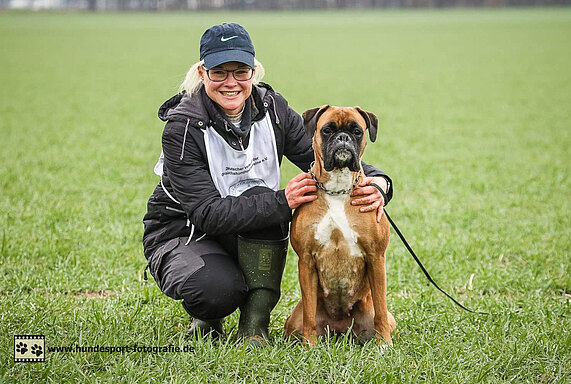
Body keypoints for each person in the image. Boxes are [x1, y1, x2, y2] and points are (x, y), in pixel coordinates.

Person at [142, 23, 393, 345]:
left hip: (244, 223)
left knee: (265, 203)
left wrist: (380, 182)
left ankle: (255, 325)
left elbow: (316, 155)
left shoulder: (273, 109)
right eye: (219, 72)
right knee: (216, 289)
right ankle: (205, 316)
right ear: (202, 73)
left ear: (254, 72)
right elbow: (205, 213)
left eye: (241, 72)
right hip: (186, 230)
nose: (231, 82)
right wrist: (281, 201)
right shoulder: (182, 127)